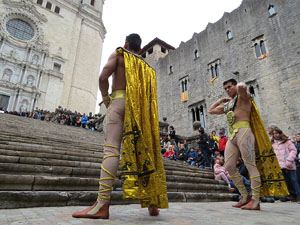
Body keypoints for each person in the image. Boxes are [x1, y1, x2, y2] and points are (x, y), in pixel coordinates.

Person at [72, 34, 168, 219]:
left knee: (111, 148)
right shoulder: (146, 68)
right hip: (140, 111)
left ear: (126, 44)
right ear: (140, 50)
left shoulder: (120, 54)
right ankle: (153, 203)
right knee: (146, 152)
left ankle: (102, 204)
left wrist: (106, 98)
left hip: (119, 102)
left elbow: (103, 77)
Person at [208, 78, 288, 210]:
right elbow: (211, 110)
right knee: (229, 166)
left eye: (229, 87)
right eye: (225, 88)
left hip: (244, 132)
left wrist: (240, 86)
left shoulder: (243, 97)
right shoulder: (229, 104)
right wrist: (220, 101)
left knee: (251, 165)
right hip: (233, 135)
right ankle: (245, 196)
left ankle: (256, 200)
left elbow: (242, 86)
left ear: (235, 86)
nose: (227, 90)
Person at [272, 127, 300, 203]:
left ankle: (299, 196)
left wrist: (289, 160)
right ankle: (291, 196)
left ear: (280, 133)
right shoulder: (273, 143)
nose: (275, 135)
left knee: (294, 180)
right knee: (286, 181)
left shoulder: (287, 141)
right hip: (280, 166)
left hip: (289, 164)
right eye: (274, 134)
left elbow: (294, 150)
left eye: (277, 133)